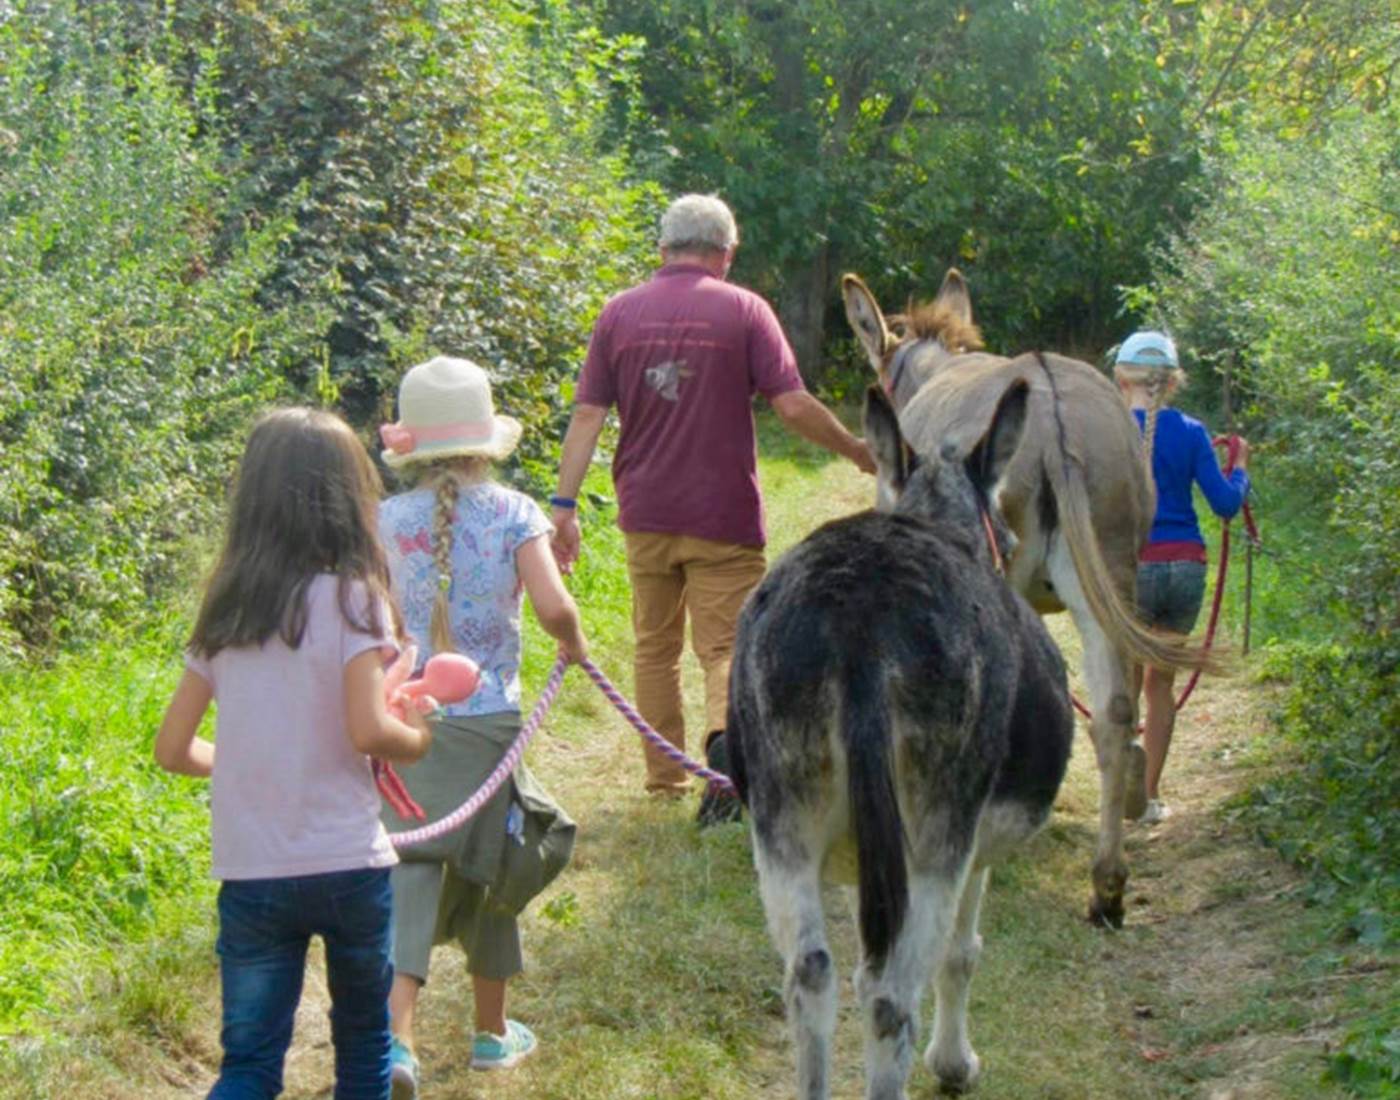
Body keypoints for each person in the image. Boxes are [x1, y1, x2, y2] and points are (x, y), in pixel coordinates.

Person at [550, 193, 875, 825]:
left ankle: (664, 780)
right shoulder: (745, 309)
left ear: (663, 249)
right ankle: (725, 765)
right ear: (726, 253)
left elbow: (587, 415)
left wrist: (564, 506)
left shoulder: (618, 313)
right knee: (725, 646)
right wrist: (857, 451)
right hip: (722, 513)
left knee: (654, 646)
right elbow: (791, 405)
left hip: (645, 511)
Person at [154, 407, 433, 1099]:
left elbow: (172, 749)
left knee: (249, 1066)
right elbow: (369, 731)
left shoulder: (226, 613)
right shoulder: (354, 599)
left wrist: (248, 761)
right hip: (347, 865)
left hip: (253, 872)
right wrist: (418, 737)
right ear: (349, 500)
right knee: (364, 1050)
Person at [376, 356, 588, 1097]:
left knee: (411, 860)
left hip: (403, 716)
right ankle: (492, 1034)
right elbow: (554, 606)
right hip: (490, 722)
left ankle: (396, 1040)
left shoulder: (384, 521)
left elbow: (366, 620)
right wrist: (573, 642)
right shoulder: (515, 513)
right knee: (492, 857)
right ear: (482, 441)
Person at [1114, 331, 1250, 825]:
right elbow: (1226, 504)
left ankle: (1119, 793)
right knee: (1161, 685)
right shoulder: (1192, 432)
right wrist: (1241, 467)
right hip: (1186, 568)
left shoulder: (1108, 431)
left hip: (1134, 567)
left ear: (1120, 378)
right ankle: (1149, 798)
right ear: (1172, 382)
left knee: (1126, 681)